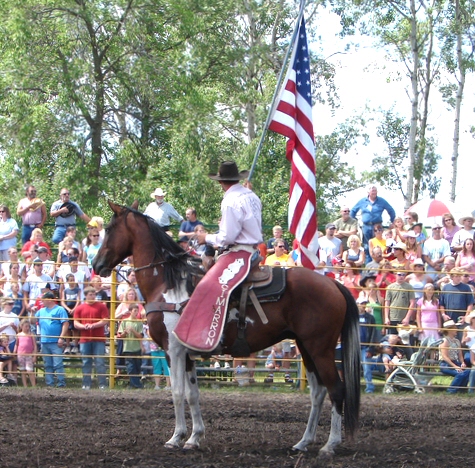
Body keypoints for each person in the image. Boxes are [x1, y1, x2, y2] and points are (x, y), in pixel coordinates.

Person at [174, 160, 262, 353]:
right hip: (251, 249)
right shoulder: (251, 195)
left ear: (221, 182)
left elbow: (227, 237)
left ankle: (211, 336)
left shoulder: (230, 201)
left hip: (239, 253)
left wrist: (206, 237)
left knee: (208, 285)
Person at [73, 287, 109, 390]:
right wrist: (84, 326)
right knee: (86, 362)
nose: (93, 296)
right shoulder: (80, 308)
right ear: (86, 295)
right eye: (90, 294)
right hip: (84, 339)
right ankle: (86, 384)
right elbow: (75, 323)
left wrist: (92, 325)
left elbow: (105, 320)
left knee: (100, 362)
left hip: (99, 338)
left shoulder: (101, 306)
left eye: (94, 294)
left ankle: (102, 384)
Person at [350, 184, 396, 258]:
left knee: (379, 244)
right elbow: (352, 211)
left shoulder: (382, 201)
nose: (374, 192)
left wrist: (392, 222)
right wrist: (354, 222)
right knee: (367, 246)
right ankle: (369, 265)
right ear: (368, 192)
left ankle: (379, 264)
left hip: (377, 226)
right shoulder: (362, 201)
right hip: (366, 226)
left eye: (375, 191)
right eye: (372, 191)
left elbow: (391, 210)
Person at [35, 291, 69, 387]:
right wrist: (32, 312)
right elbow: (33, 321)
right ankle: (50, 384)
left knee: (57, 364)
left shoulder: (60, 310)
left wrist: (61, 338)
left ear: (50, 300)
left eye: (43, 300)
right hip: (44, 341)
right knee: (47, 364)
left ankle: (61, 384)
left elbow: (65, 324)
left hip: (55, 341)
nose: (42, 302)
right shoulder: (41, 311)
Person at [439, 319, 470, 393]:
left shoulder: (457, 341)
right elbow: (445, 357)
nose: (456, 329)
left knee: (468, 371)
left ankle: (461, 390)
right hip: (445, 364)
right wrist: (455, 366)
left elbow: (460, 355)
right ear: (449, 329)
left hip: (455, 362)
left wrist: (462, 363)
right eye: (455, 327)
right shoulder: (445, 341)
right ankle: (451, 391)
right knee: (461, 374)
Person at [117, 303, 144, 389]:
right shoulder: (124, 322)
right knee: (131, 367)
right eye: (135, 311)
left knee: (137, 367)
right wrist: (125, 332)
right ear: (130, 311)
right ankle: (137, 385)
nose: (136, 313)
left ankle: (133, 385)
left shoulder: (139, 322)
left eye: (137, 311)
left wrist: (132, 330)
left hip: (137, 348)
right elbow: (120, 336)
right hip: (128, 348)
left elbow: (140, 336)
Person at [384, 268, 416, 334]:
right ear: (395, 275)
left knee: (404, 340)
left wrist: (407, 317)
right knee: (392, 339)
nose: (401, 276)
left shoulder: (409, 287)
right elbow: (387, 303)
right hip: (393, 317)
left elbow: (412, 303)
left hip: (404, 318)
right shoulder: (390, 287)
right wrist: (386, 317)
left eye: (403, 275)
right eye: (399, 274)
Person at [357, 297, 378, 393]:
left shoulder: (370, 318)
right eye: (361, 303)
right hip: (355, 347)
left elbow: (373, 334)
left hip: (365, 347)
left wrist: (370, 349)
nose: (363, 305)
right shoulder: (352, 317)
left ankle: (369, 388)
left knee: (367, 369)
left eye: (364, 303)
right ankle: (355, 388)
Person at [13, 319, 37, 387]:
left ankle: (34, 386)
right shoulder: (18, 335)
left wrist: (34, 356)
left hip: (29, 355)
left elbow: (34, 345)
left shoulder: (31, 335)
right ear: (21, 326)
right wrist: (14, 352)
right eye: (26, 326)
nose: (27, 328)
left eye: (28, 326)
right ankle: (25, 386)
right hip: (20, 354)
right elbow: (16, 344)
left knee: (30, 371)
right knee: (23, 370)